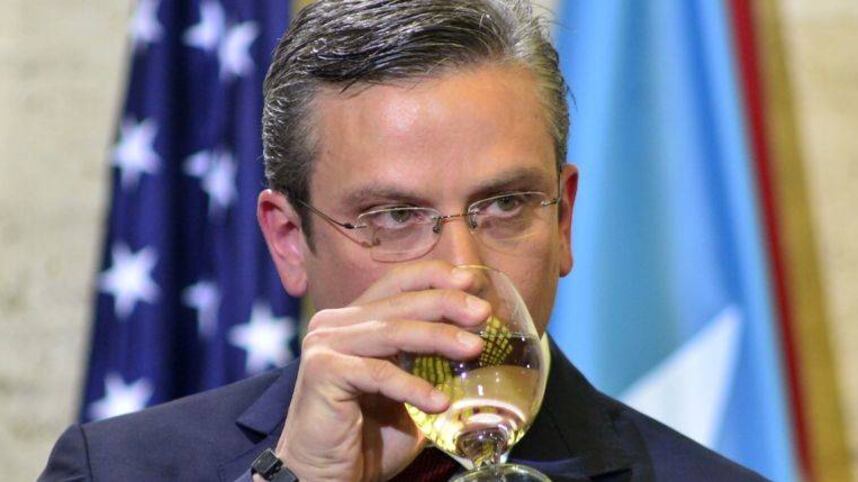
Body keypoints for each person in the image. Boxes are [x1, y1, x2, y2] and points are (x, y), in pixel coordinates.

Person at [41, 1, 766, 480]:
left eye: (505, 205)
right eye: (393, 216)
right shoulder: (115, 470)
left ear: (564, 220)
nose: (463, 271)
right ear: (289, 240)